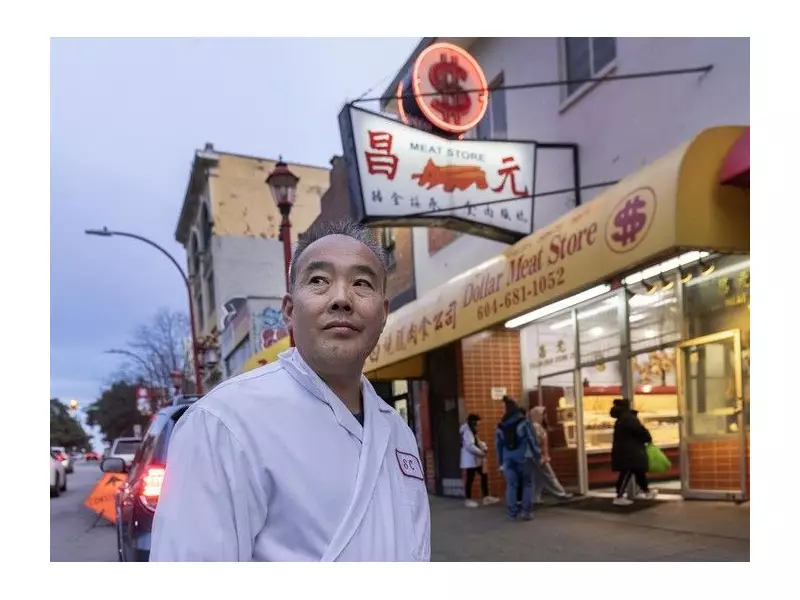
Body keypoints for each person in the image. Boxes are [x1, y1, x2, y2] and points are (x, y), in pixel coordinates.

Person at [149, 219, 431, 561]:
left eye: (361, 283)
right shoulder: (223, 423)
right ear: (289, 310)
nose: (341, 298)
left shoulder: (397, 431)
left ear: (383, 313)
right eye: (319, 281)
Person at [495, 397, 541, 521]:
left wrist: (500, 463)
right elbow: (532, 440)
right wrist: (537, 455)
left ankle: (512, 513)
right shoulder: (524, 422)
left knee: (511, 485)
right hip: (524, 457)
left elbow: (498, 445)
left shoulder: (500, 426)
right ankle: (526, 512)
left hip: (507, 459)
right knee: (527, 484)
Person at [610, 398, 658, 506]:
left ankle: (647, 492)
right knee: (627, 472)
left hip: (627, 449)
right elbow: (639, 430)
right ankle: (619, 496)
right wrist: (648, 438)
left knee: (638, 470)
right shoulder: (628, 418)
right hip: (630, 450)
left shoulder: (622, 417)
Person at [529, 406, 573, 504]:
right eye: (543, 414)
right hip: (540, 456)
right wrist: (542, 455)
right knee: (550, 476)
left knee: (538, 478)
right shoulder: (536, 427)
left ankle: (534, 498)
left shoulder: (535, 426)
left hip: (538, 456)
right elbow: (538, 442)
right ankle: (561, 494)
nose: (545, 416)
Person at [459, 413, 499, 508]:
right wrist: (481, 452)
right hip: (470, 460)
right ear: (473, 422)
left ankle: (486, 497)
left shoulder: (471, 430)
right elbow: (470, 446)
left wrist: (484, 446)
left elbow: (477, 441)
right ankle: (468, 499)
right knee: (470, 479)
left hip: (475, 459)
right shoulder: (467, 432)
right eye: (477, 423)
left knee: (484, 475)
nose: (478, 425)